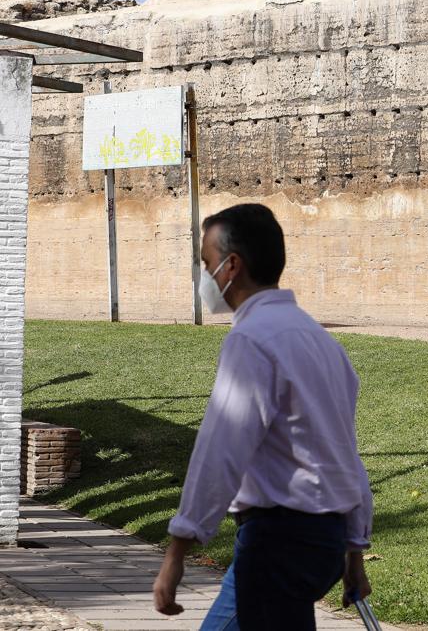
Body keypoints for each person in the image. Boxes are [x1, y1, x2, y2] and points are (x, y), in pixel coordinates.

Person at [151, 203, 374, 630]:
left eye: (206, 263)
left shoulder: (252, 341)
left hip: (278, 544)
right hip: (320, 545)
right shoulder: (321, 342)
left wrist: (177, 552)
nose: (204, 275)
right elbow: (343, 455)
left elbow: (220, 451)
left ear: (231, 266)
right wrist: (352, 551)